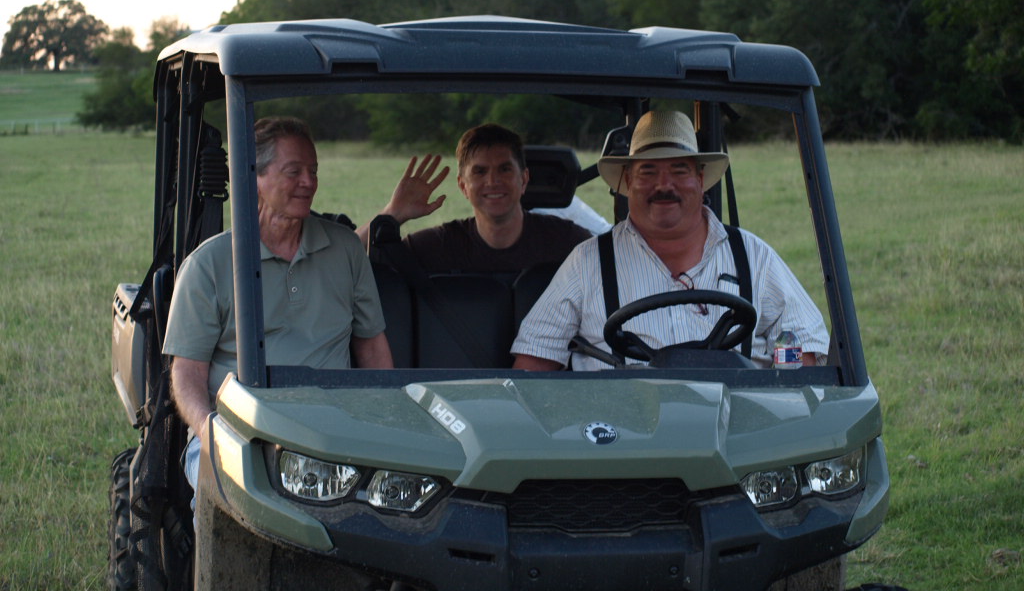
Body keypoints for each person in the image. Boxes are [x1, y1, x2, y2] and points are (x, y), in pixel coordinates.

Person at [164, 117, 393, 498]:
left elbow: (372, 347)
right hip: (240, 435)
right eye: (294, 172)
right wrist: (209, 432)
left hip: (337, 430)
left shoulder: (347, 250)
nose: (309, 181)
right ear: (254, 176)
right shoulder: (209, 264)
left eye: (313, 171)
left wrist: (384, 426)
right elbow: (187, 371)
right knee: (229, 507)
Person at [511, 109, 829, 371]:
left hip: (741, 439)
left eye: (679, 170)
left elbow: (803, 347)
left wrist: (784, 380)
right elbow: (534, 363)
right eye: (648, 171)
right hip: (620, 440)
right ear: (628, 181)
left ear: (701, 180)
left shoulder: (752, 255)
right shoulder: (587, 263)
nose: (664, 185)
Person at [356, 123, 592, 274]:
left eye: (504, 169)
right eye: (480, 172)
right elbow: (344, 259)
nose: (492, 181)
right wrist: (392, 214)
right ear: (463, 185)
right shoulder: (440, 245)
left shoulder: (568, 243)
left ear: (524, 179)